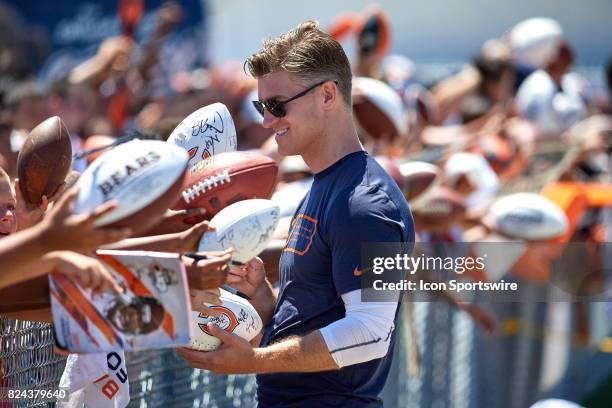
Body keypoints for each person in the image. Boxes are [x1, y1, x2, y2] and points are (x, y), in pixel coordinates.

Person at [178, 21, 415, 407]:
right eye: (261, 107)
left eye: (276, 105)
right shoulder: (325, 185)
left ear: (326, 95)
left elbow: (372, 333)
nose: (267, 121)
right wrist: (263, 298)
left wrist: (255, 359)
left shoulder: (368, 203)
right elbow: (315, 318)